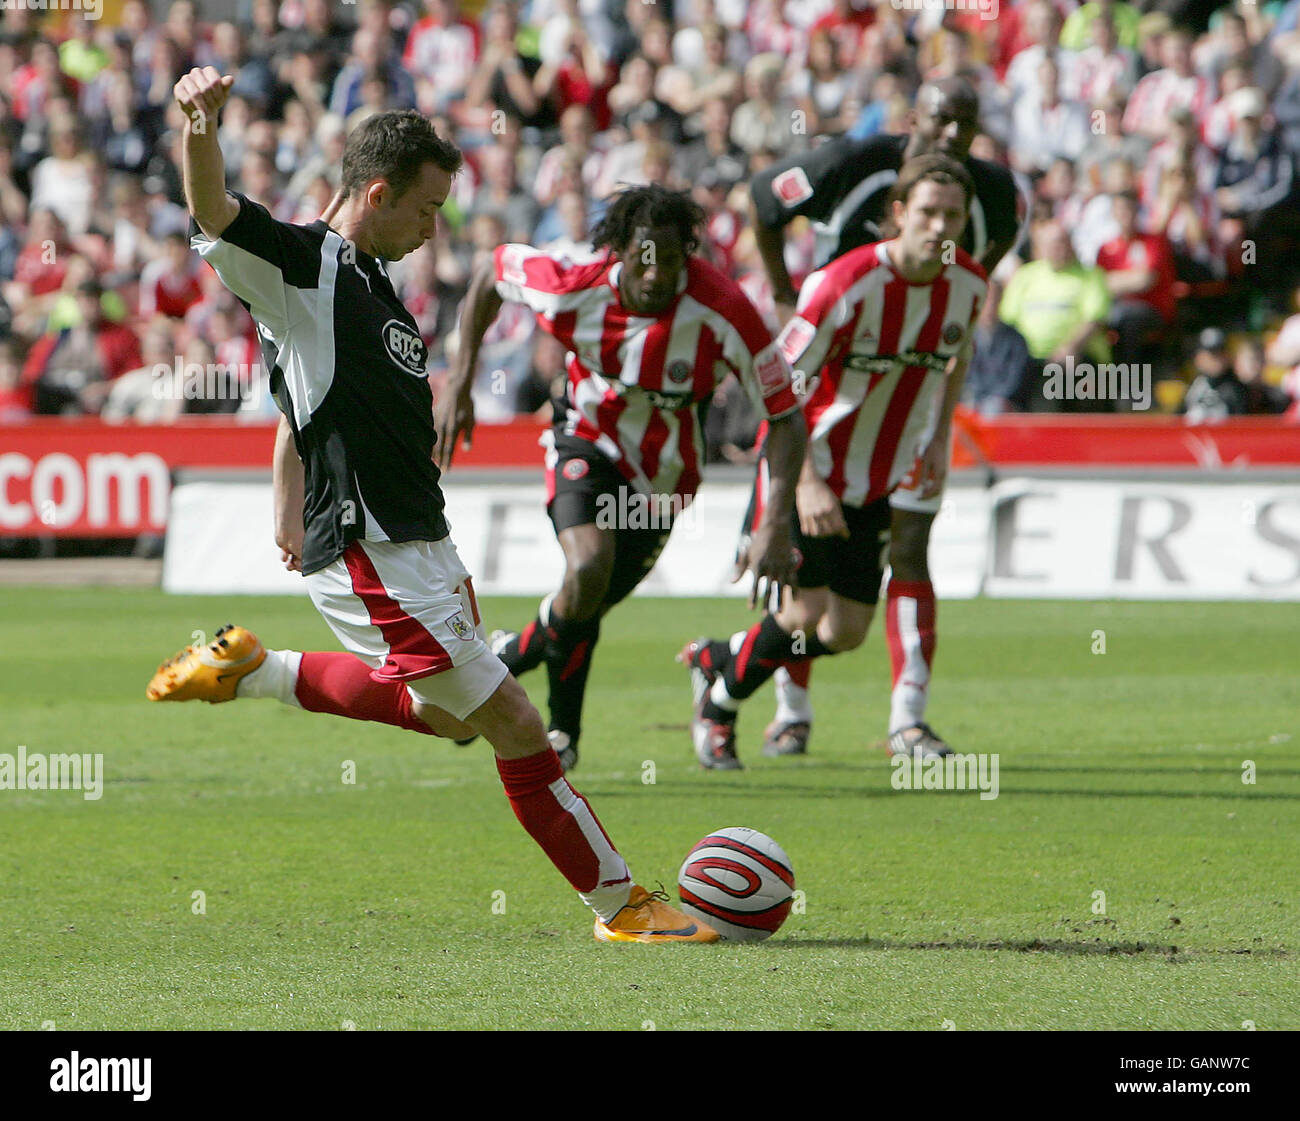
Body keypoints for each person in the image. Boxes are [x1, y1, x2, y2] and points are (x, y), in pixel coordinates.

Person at [145, 67, 716, 944]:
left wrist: (283, 492)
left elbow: (306, 395)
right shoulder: (304, 264)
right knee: (516, 723)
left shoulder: (368, 280)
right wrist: (198, 127)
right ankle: (622, 905)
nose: (433, 225)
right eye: (427, 206)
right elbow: (215, 210)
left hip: (424, 546)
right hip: (373, 551)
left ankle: (252, 667)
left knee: (447, 718)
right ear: (376, 192)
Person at [434, 183, 806, 772]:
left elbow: (785, 414)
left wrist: (774, 521)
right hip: (586, 441)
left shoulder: (725, 310)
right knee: (587, 567)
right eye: (643, 259)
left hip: (666, 481)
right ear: (617, 252)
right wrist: (460, 382)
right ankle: (561, 735)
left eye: (672, 260)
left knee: (587, 602)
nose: (657, 277)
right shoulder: (570, 286)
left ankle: (502, 661)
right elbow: (489, 273)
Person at [738, 77, 1023, 761]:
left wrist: (944, 426)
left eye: (967, 121)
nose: (953, 132)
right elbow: (759, 200)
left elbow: (958, 318)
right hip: (833, 383)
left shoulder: (997, 201)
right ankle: (789, 706)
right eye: (941, 117)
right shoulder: (851, 165)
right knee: (811, 586)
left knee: (911, 551)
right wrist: (782, 293)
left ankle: (909, 720)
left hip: (914, 406)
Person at [681, 155, 986, 768]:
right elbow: (780, 390)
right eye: (927, 211)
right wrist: (807, 484)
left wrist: (935, 442)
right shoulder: (844, 284)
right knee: (801, 611)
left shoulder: (969, 286)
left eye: (952, 215)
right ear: (899, 214)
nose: (939, 226)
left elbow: (951, 368)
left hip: (879, 476)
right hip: (808, 468)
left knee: (843, 633)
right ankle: (720, 703)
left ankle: (723, 654)